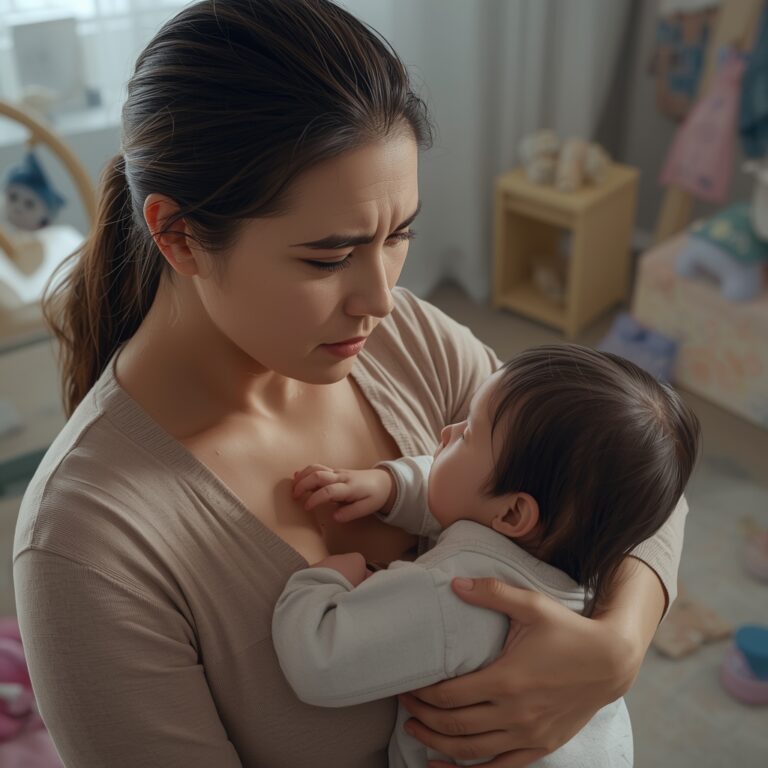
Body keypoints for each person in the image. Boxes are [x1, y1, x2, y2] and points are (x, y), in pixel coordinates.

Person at [12, 1, 690, 766]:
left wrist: (618, 645)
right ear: (179, 236)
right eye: (329, 257)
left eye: (399, 234)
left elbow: (619, 455)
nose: (381, 297)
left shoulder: (401, 338)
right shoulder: (89, 548)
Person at [273, 344, 701, 767]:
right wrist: (393, 486)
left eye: (467, 434)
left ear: (514, 514)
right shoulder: (584, 555)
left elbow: (317, 662)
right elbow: (473, 499)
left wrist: (327, 578)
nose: (447, 432)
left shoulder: (455, 593)